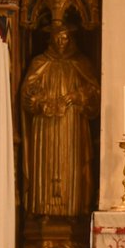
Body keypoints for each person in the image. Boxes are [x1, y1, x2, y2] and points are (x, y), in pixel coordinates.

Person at [21, 21, 100, 217]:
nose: (61, 42)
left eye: (64, 38)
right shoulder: (40, 62)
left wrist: (76, 97)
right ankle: (42, 210)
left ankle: (75, 209)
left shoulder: (80, 63)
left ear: (70, 39)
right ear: (50, 39)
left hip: (71, 125)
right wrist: (40, 103)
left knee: (72, 166)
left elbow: (94, 93)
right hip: (44, 127)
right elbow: (26, 94)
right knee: (45, 167)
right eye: (57, 38)